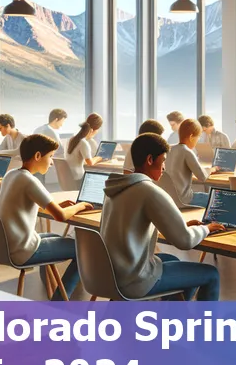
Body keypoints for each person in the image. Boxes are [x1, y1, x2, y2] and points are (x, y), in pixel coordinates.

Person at [100, 133, 224, 301]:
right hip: (133, 280)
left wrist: (179, 225)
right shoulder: (149, 191)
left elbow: (134, 226)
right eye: (163, 160)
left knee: (171, 259)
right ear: (150, 160)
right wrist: (206, 228)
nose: (165, 167)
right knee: (211, 274)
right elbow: (185, 241)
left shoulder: (114, 189)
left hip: (110, 274)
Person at [0, 134, 94, 300]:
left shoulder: (12, 175)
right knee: (84, 251)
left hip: (2, 246)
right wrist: (81, 206)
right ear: (37, 156)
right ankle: (58, 302)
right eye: (50, 156)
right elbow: (61, 217)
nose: (51, 162)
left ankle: (49, 287)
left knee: (53, 236)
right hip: (21, 250)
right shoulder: (30, 181)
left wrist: (57, 206)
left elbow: (36, 203)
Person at [164, 119, 218, 207]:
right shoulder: (187, 152)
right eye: (198, 137)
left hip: (168, 199)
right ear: (191, 136)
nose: (198, 140)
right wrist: (211, 169)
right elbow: (202, 176)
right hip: (184, 199)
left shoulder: (168, 149)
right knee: (217, 199)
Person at [64, 114, 106, 191]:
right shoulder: (83, 142)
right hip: (79, 179)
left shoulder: (71, 139)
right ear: (92, 130)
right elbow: (90, 163)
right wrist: (100, 157)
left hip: (70, 177)